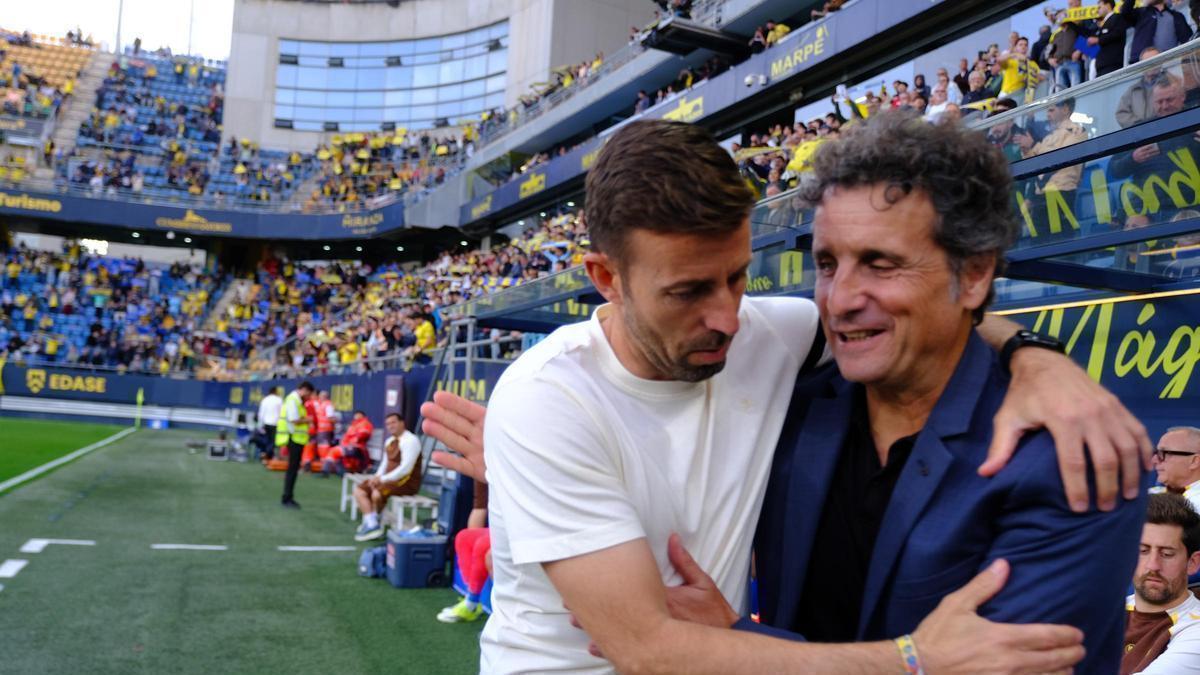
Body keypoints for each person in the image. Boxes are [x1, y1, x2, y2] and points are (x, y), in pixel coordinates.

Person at [423, 119, 1151, 674]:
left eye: (739, 277)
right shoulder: (555, 401)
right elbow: (646, 647)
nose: (727, 316)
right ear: (606, 279)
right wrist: (912, 660)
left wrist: (1037, 357)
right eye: (828, 263)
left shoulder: (1071, 457)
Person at [723, 112, 1147, 675]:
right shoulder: (791, 402)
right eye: (828, 264)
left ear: (973, 275)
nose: (840, 298)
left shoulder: (1073, 453)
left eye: (880, 263)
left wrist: (727, 646)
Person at [1122, 493, 1200, 674]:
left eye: (1167, 554)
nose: (1153, 565)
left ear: (1193, 562)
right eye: (1143, 550)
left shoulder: (1194, 630)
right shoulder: (1106, 613)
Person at [1013, 97, 1086, 229]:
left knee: (1060, 240)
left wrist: (1034, 145)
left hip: (1062, 193)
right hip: (1041, 196)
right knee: (1040, 243)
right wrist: (1026, 150)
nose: (1048, 114)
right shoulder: (1049, 137)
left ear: (1065, 109)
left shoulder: (1077, 131)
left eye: (1051, 110)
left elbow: (1063, 156)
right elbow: (1034, 165)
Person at [353, 413, 422, 542]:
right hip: (389, 480)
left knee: (376, 494)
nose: (391, 426)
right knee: (359, 491)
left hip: (407, 482)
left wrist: (382, 479)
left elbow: (405, 469)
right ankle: (372, 523)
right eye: (388, 424)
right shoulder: (389, 441)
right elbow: (384, 463)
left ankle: (373, 523)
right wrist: (377, 477)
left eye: (393, 422)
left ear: (402, 423)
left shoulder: (411, 440)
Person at [276, 381, 314, 509]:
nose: (308, 397)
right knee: (292, 470)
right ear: (304, 390)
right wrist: (307, 420)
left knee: (293, 469)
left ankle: (288, 497)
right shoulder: (293, 400)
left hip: (296, 438)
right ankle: (287, 498)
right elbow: (294, 419)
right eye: (308, 394)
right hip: (294, 438)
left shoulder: (295, 400)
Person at [1124, 0, 1191, 64]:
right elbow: (1125, 12)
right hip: (1141, 63)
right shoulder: (1141, 13)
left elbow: (1188, 40)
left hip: (1167, 64)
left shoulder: (1177, 16)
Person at [1153, 426, 1200, 512]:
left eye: (1164, 453)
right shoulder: (1147, 497)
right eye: (1156, 453)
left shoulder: (1196, 505)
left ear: (1194, 461)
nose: (1154, 460)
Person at [1117, 47, 1164, 128]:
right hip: (1142, 136)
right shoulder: (1132, 90)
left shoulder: (1172, 82)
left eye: (1155, 60)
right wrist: (1139, 125)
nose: (1151, 65)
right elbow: (1121, 114)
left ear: (1161, 62)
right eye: (1147, 62)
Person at [323, 409, 374, 476]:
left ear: (362, 415)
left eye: (358, 414)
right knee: (335, 453)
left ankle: (326, 471)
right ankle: (339, 472)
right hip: (349, 446)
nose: (356, 416)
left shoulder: (365, 423)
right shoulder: (353, 424)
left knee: (334, 451)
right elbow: (347, 436)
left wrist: (353, 441)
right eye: (356, 414)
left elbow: (363, 434)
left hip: (357, 447)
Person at [1088, 0, 1129, 77]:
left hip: (1112, 64)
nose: (1098, 10)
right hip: (1102, 66)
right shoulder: (1103, 23)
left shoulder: (1117, 17)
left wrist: (1098, 40)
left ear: (1107, 5)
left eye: (1100, 7)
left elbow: (1117, 33)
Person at [257, 386, 282, 461]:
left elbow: (261, 413)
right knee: (273, 441)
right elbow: (281, 412)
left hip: (266, 423)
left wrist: (260, 424)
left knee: (266, 440)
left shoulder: (265, 400)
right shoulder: (279, 400)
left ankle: (265, 454)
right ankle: (268, 455)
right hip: (275, 423)